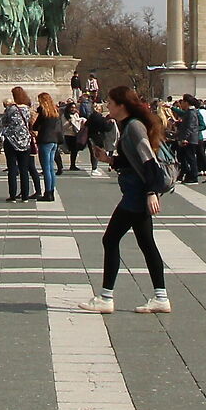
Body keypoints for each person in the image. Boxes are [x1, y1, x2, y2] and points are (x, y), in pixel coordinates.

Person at [80, 86, 172, 315]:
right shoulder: (128, 125)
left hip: (136, 195)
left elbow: (149, 161)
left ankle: (106, 297)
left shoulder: (134, 127)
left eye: (110, 103)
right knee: (146, 244)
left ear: (122, 105)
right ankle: (161, 297)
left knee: (110, 239)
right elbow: (133, 161)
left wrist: (151, 192)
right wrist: (109, 160)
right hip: (137, 193)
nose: (107, 106)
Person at [2, 88, 38, 203]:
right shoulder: (27, 109)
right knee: (24, 169)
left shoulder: (11, 109)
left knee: (12, 168)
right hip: (25, 141)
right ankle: (25, 196)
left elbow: (4, 121)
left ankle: (12, 195)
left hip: (11, 140)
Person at [34, 91, 63, 202]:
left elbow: (36, 126)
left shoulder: (43, 111)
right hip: (54, 140)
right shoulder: (55, 111)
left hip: (45, 140)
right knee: (50, 168)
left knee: (46, 168)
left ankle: (47, 193)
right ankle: (51, 192)